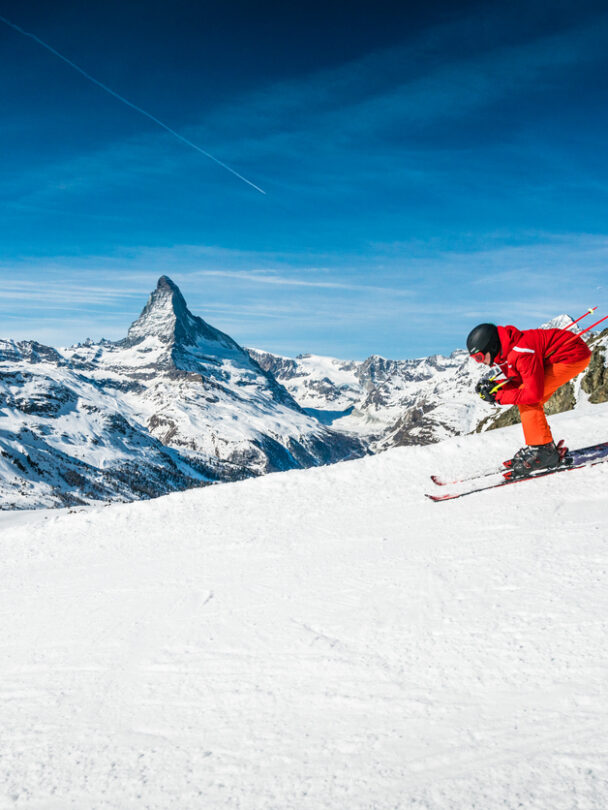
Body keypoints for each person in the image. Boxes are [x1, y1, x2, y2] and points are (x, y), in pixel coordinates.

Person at [466, 322, 591, 476]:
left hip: (572, 356)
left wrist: (498, 396)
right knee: (525, 397)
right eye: (475, 359)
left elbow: (532, 394)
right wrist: (495, 387)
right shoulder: (505, 351)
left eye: (479, 357)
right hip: (560, 355)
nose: (480, 362)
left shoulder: (521, 351)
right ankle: (542, 447)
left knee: (529, 401)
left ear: (491, 346)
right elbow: (519, 378)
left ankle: (542, 450)